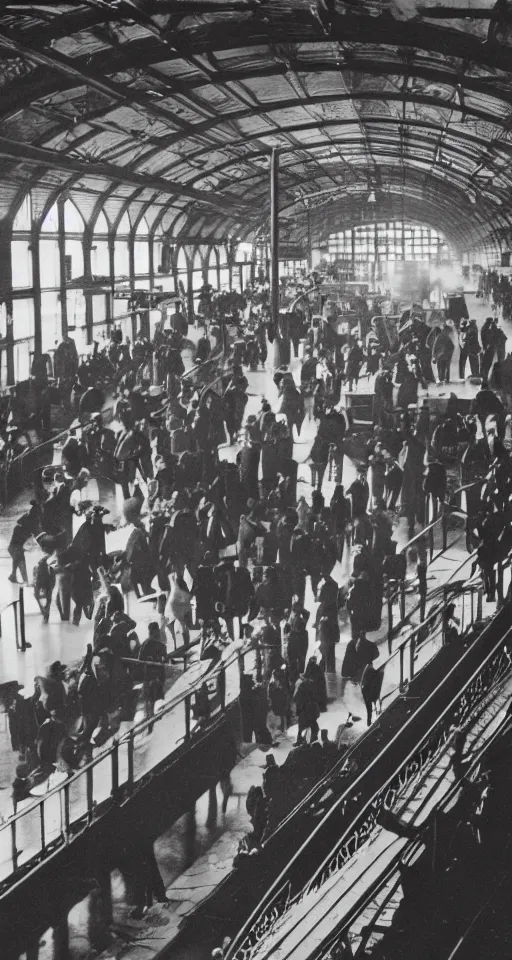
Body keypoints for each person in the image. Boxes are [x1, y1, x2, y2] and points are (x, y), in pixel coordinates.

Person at [8, 512, 33, 584]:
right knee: (21, 563)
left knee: (18, 562)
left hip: (14, 548)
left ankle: (13, 576)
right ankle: (25, 580)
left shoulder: (19, 528)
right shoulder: (21, 529)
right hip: (15, 549)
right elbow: (22, 538)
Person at [361, 662, 382, 726]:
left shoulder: (367, 669)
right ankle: (370, 722)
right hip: (368, 693)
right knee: (370, 708)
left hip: (366, 692)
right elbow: (375, 674)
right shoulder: (370, 670)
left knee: (369, 709)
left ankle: (369, 722)